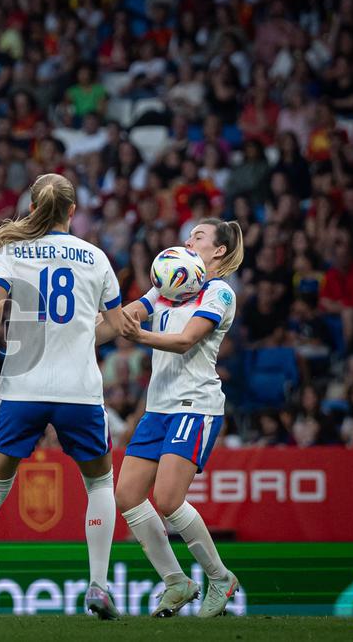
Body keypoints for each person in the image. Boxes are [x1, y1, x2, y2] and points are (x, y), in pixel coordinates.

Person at [0, 173, 131, 621]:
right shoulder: (95, 257)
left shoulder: (10, 250)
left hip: (21, 388)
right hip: (79, 391)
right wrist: (83, 337)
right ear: (72, 211)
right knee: (100, 483)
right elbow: (117, 325)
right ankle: (99, 586)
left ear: (32, 208)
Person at [97, 218, 244, 617]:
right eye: (189, 234)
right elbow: (125, 316)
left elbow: (185, 340)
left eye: (199, 236)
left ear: (219, 251)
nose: (188, 240)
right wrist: (79, 331)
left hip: (195, 406)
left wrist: (137, 336)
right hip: (158, 407)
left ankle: (220, 577)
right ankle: (176, 581)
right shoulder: (167, 287)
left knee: (167, 499)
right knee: (127, 495)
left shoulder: (219, 293)